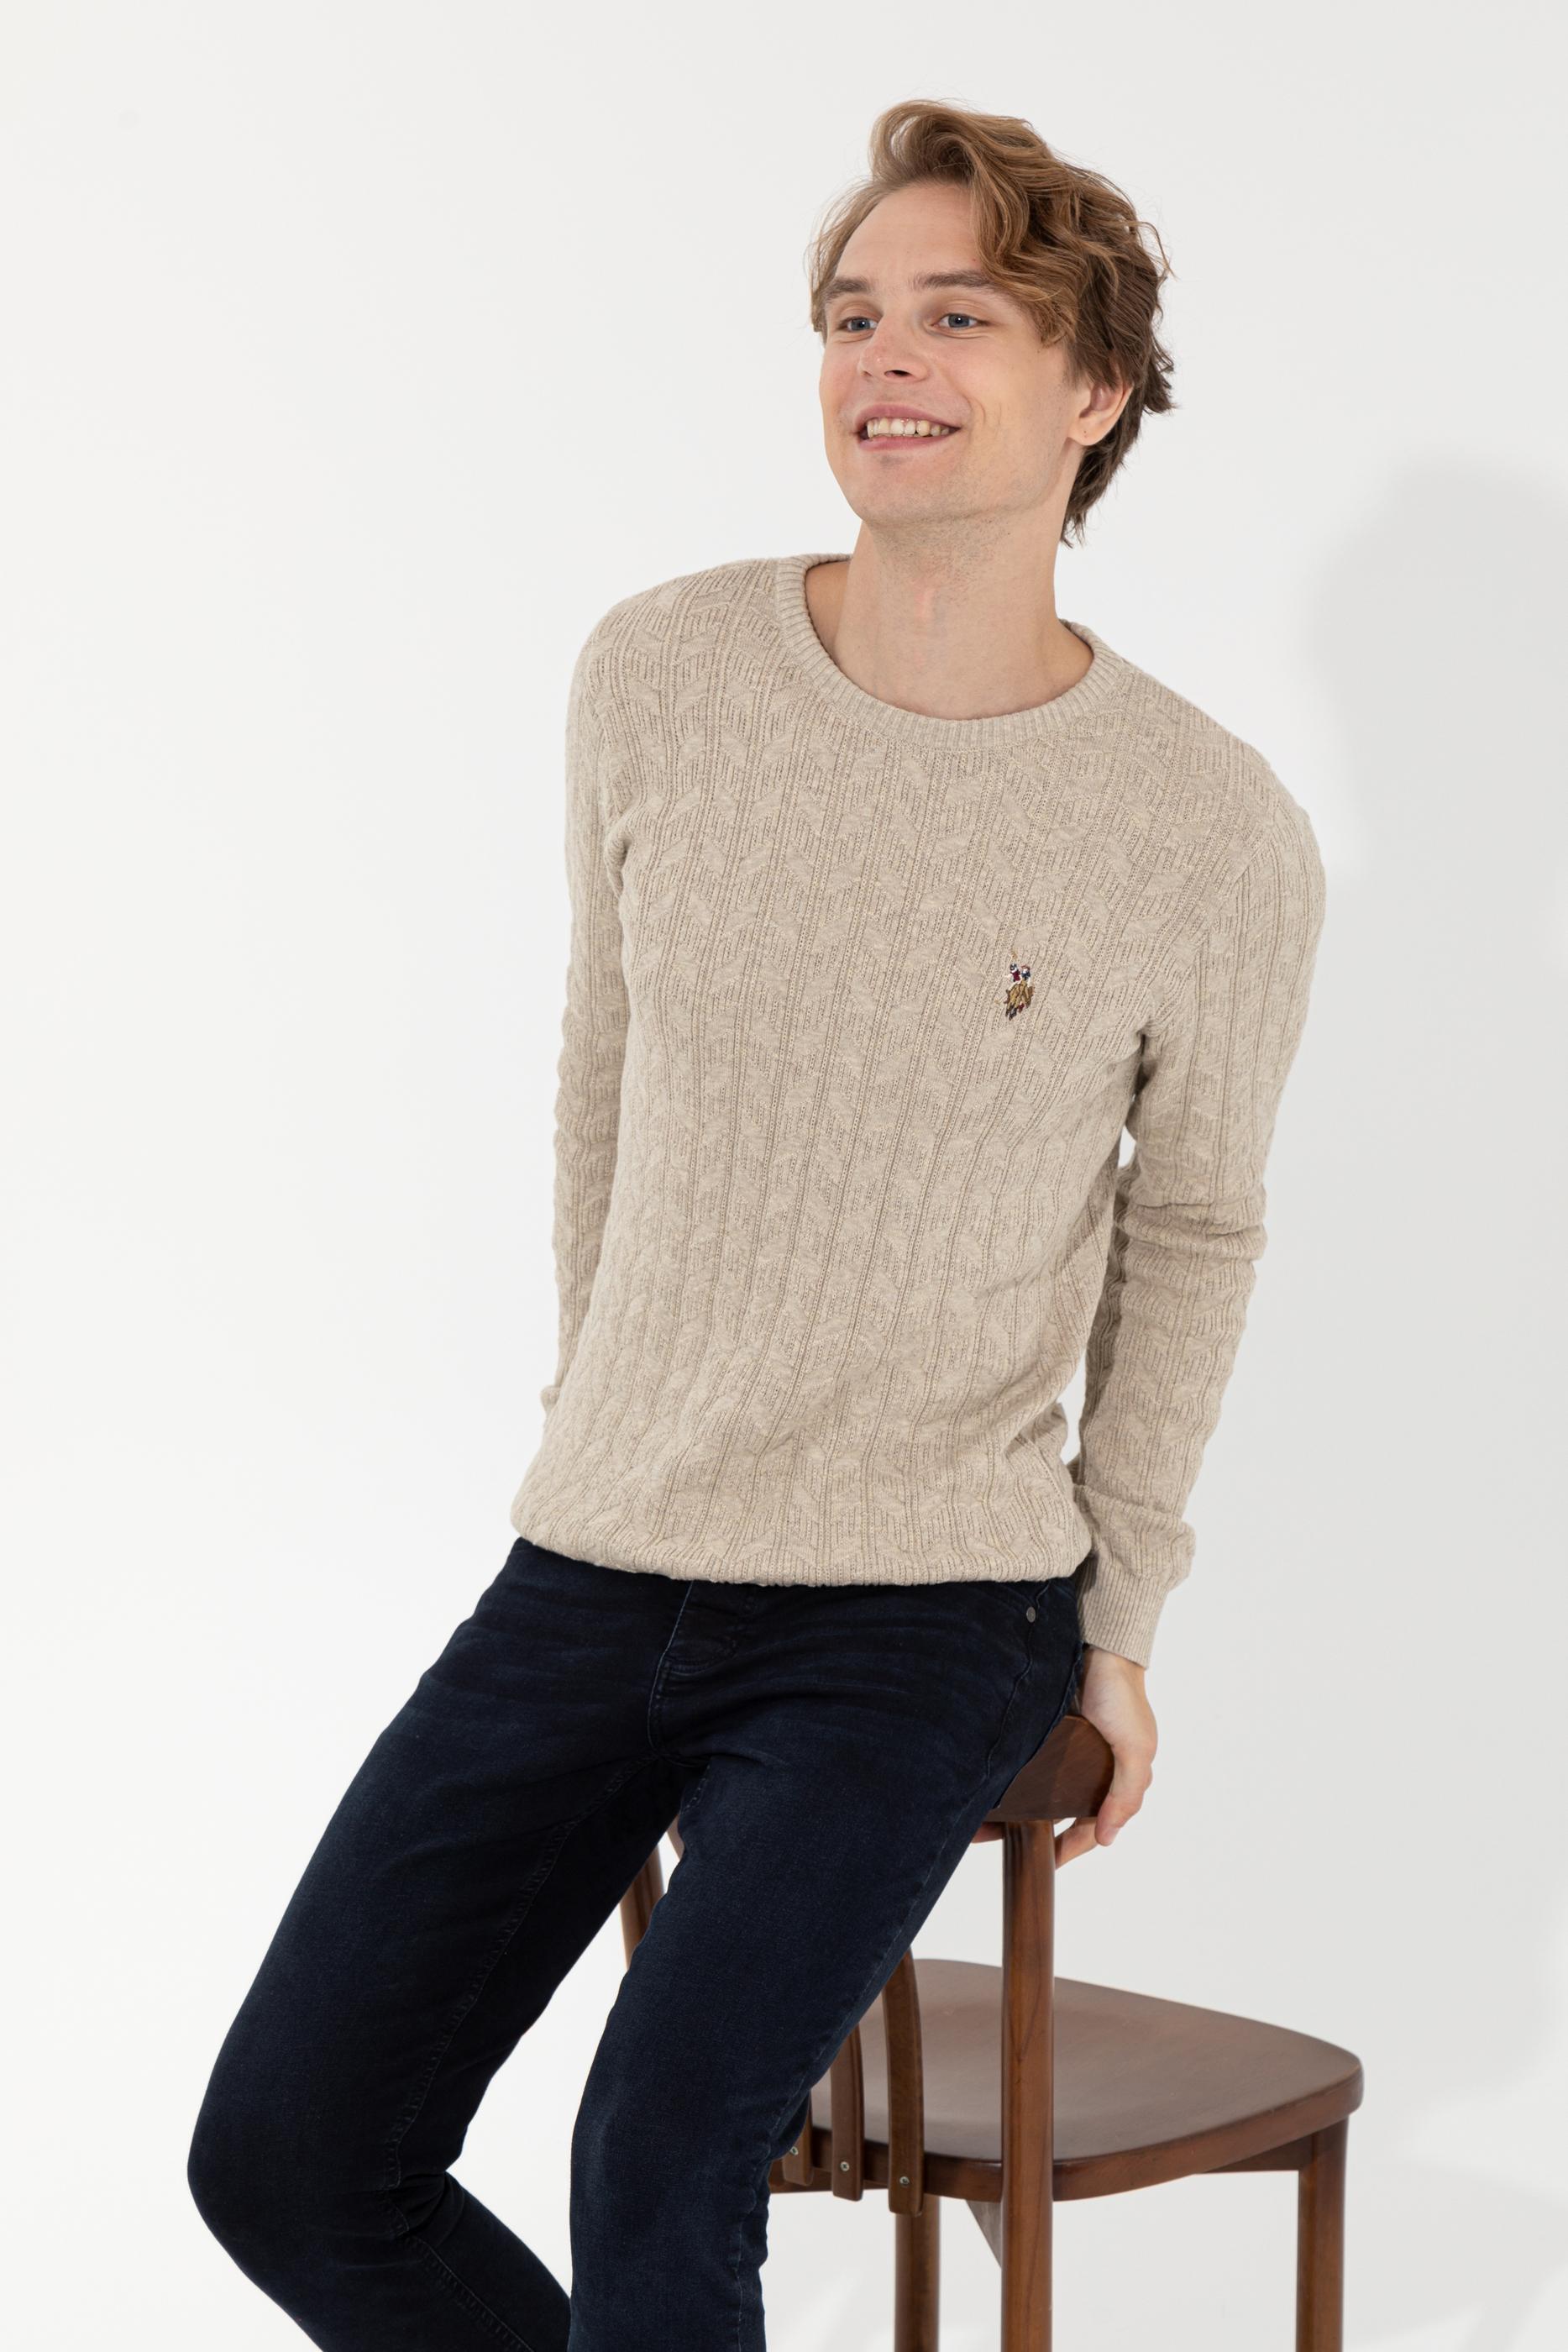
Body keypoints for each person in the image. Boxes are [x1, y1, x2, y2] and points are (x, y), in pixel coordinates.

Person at [188, 97, 1326, 2350]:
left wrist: (1120, 1615)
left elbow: (1191, 1229)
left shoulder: (1206, 829)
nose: (883, 356)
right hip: (600, 1555)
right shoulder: (661, 672)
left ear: (1095, 391)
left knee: (659, 2162)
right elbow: (602, 1077)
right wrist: (607, 1413)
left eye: (959, 316)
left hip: (925, 1605)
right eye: (849, 314)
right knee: (293, 2160)